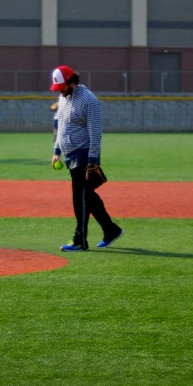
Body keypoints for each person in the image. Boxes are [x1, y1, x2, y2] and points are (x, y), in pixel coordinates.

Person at [49, 65, 124, 252]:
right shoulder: (64, 97)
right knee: (87, 197)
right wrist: (56, 151)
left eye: (61, 87)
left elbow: (95, 132)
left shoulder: (89, 100)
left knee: (79, 199)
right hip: (70, 156)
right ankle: (111, 230)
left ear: (72, 82)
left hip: (84, 155)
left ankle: (80, 240)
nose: (60, 92)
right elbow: (61, 127)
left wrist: (92, 161)